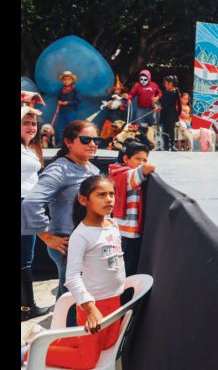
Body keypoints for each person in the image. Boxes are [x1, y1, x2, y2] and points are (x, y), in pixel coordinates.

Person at [22, 175, 126, 369]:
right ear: (83, 200)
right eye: (102, 195)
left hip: (115, 302)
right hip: (94, 306)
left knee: (107, 344)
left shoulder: (113, 225)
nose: (109, 199)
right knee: (86, 361)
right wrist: (89, 308)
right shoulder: (81, 235)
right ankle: (28, 351)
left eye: (112, 194)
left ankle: (48, 343)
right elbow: (71, 277)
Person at [21, 121, 101, 299]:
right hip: (68, 244)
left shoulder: (92, 169)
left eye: (96, 140)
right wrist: (47, 237)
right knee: (73, 300)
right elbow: (31, 204)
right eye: (86, 139)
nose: (93, 144)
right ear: (68, 142)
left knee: (68, 297)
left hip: (87, 242)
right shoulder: (60, 169)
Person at [109, 142, 155, 277]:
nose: (141, 162)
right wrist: (146, 164)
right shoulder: (128, 174)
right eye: (137, 158)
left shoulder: (116, 172)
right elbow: (148, 168)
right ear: (125, 159)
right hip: (128, 233)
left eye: (144, 159)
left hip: (120, 229)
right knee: (127, 271)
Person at [21, 106, 50, 321]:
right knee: (25, 259)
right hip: (23, 205)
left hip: (29, 205)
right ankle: (27, 308)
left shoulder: (31, 149)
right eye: (25, 122)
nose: (31, 126)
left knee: (25, 259)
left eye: (33, 123)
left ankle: (27, 306)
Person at [54, 71, 82, 145]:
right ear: (62, 81)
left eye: (69, 79)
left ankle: (72, 143)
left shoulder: (75, 90)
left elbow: (78, 101)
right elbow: (58, 98)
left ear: (72, 80)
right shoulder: (61, 90)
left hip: (71, 112)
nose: (66, 81)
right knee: (61, 127)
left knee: (71, 128)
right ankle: (61, 143)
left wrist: (68, 103)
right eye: (65, 79)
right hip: (62, 111)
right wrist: (59, 101)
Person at [157, 75, 182, 151]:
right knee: (165, 130)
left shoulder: (175, 92)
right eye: (165, 83)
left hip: (172, 114)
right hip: (164, 113)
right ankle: (166, 145)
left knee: (171, 130)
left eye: (167, 83)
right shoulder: (165, 91)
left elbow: (177, 104)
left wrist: (177, 114)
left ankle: (172, 145)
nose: (165, 85)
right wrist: (157, 102)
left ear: (171, 83)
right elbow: (162, 101)